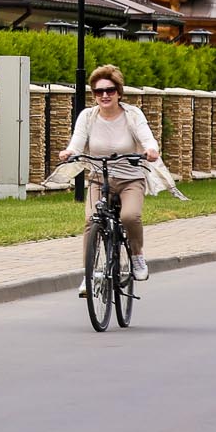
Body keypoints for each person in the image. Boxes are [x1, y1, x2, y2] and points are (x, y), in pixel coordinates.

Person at [58, 64, 160, 292]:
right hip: (99, 179)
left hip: (130, 179)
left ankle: (136, 255)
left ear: (119, 92)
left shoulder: (133, 115)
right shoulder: (88, 116)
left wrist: (152, 150)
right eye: (98, 91)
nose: (104, 95)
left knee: (130, 216)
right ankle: (90, 273)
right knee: (90, 221)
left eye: (110, 90)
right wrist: (69, 152)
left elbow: (148, 139)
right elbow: (77, 142)